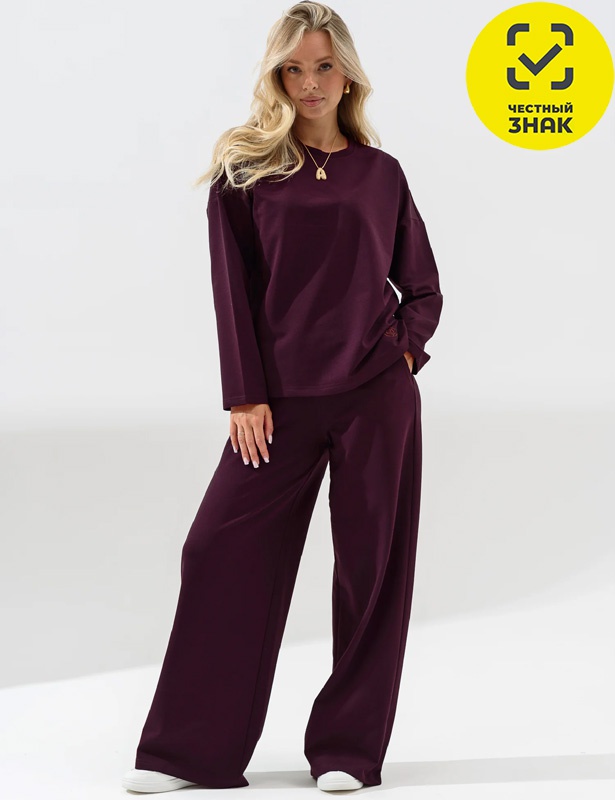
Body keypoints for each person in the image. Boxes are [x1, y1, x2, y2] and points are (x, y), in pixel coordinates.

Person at [122, 1, 443, 794]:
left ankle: (346, 752)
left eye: (323, 66)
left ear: (347, 74)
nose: (309, 83)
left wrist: (401, 356)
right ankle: (188, 754)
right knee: (215, 551)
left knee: (371, 571)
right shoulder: (243, 171)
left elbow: (422, 287)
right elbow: (231, 292)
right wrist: (244, 395)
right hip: (277, 406)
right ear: (275, 76)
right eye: (293, 69)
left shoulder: (380, 173)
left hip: (374, 398)